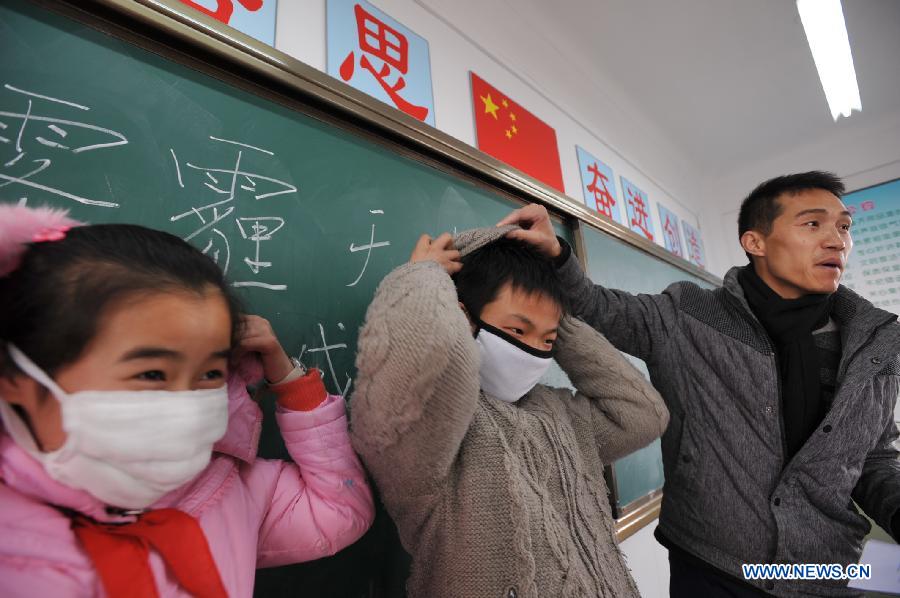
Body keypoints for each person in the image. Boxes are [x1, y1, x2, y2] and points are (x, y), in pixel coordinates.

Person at [498, 171, 900, 597]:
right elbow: (602, 309)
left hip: (825, 570)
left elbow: (870, 456)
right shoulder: (690, 315)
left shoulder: (872, 344)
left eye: (844, 226)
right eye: (813, 224)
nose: (837, 240)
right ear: (755, 243)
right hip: (712, 566)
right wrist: (559, 255)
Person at [0, 205, 375, 597]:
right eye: (151, 374)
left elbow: (339, 511)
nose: (185, 407)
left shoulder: (225, 492)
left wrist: (289, 381)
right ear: (18, 381)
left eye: (209, 374)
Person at [349, 226, 669, 598]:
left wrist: (554, 315)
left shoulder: (557, 409)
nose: (534, 350)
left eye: (546, 340)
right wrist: (422, 279)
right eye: (517, 329)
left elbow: (643, 413)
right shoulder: (432, 433)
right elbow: (420, 360)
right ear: (463, 317)